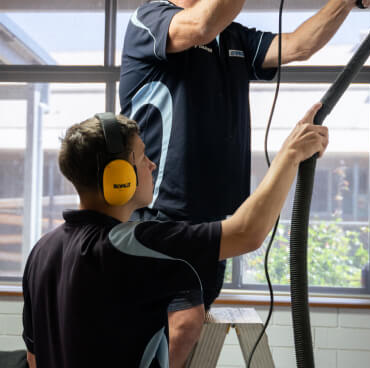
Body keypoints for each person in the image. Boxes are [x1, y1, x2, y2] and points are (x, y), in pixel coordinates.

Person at [119, 0, 370, 366]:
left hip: (216, 219)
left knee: (180, 331)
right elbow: (197, 25)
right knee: (183, 324)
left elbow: (298, 46)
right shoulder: (150, 22)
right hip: (163, 216)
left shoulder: (232, 37)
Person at [22, 106, 328, 368]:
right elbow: (246, 232)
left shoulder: (41, 251)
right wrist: (290, 155)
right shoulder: (128, 245)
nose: (151, 164)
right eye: (142, 158)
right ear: (118, 177)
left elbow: (34, 357)